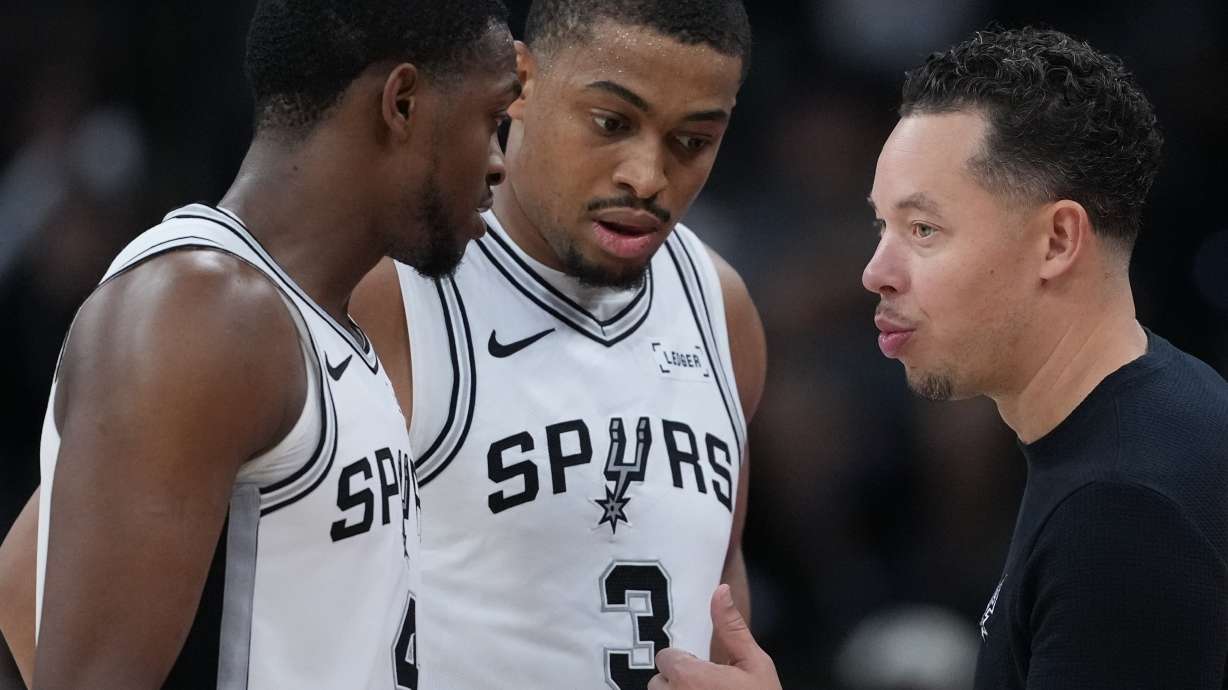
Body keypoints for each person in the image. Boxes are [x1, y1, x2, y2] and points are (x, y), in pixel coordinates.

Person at [653, 26, 1228, 690]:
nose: (874, 273)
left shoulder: (1123, 509)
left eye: (924, 229)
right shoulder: (1159, 419)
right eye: (882, 227)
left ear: (1058, 240)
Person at [0, 0, 520, 687]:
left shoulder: (310, 323)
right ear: (402, 102)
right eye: (494, 120)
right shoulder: (203, 311)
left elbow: (13, 599)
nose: (498, 163)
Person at [348, 0, 762, 687]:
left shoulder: (721, 306)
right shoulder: (394, 290)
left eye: (691, 141)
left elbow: (721, 601)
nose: (647, 176)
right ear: (520, 81)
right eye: (612, 124)